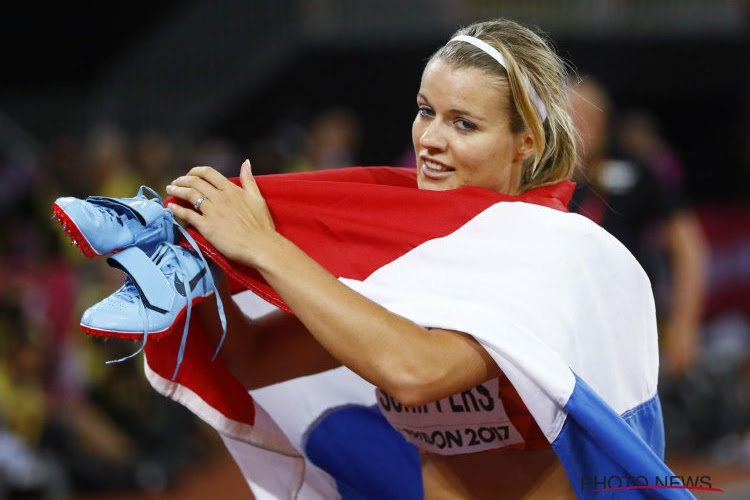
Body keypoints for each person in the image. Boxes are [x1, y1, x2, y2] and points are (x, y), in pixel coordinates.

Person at [60, 18, 679, 500]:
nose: (431, 140)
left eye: (464, 124)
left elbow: (415, 370)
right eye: (425, 110)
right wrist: (212, 257)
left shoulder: (552, 253)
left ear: (527, 142)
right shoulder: (410, 262)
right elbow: (249, 357)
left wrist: (265, 246)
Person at [568, 77, 708, 378]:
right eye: (570, 114)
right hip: (562, 328)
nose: (580, 124)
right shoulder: (537, 176)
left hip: (626, 328)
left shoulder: (635, 170)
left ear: (605, 120)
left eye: (588, 114)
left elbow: (689, 245)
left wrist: (685, 326)